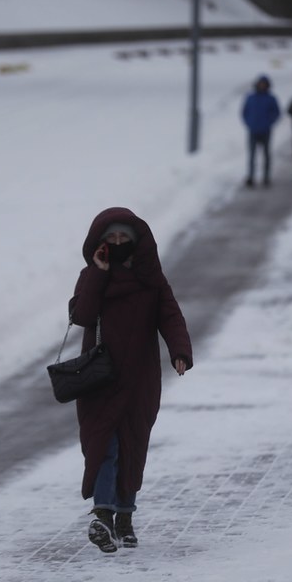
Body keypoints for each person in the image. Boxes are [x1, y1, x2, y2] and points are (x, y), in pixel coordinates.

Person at [68, 207, 193, 554]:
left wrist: (179, 351)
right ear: (101, 243)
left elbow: (171, 315)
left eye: (125, 237)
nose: (119, 242)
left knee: (131, 446)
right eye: (112, 238)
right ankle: (103, 517)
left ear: (136, 242)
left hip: (140, 378)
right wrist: (98, 273)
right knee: (103, 446)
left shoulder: (151, 279)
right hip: (100, 380)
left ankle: (124, 517)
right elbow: (82, 315)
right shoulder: (91, 276)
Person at [241, 74, 281, 188]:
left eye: (264, 84)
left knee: (266, 155)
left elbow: (276, 113)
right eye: (260, 84)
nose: (262, 86)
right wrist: (249, 123)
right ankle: (251, 176)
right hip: (253, 130)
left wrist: (269, 122)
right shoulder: (251, 97)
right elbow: (244, 112)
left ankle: (266, 177)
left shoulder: (270, 99)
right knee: (252, 155)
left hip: (265, 131)